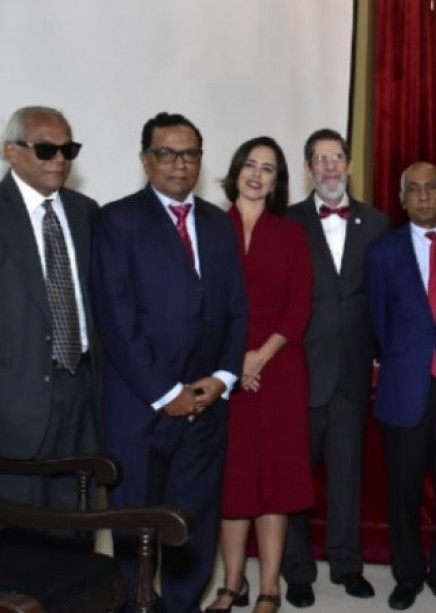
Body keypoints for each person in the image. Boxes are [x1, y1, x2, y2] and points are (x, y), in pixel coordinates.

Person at [93, 112, 248, 613]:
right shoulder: (117, 221)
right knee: (134, 529)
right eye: (167, 153)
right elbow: (116, 320)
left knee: (193, 523)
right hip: (141, 409)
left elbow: (235, 308)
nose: (179, 164)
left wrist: (223, 379)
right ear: (145, 160)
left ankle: (182, 607)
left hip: (205, 408)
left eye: (190, 154)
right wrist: (167, 392)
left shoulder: (219, 223)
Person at [204, 137, 314, 613]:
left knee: (275, 481)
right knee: (233, 482)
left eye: (268, 168)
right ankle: (232, 583)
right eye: (250, 164)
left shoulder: (290, 234)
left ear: (277, 181)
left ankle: (270, 585)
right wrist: (234, 362)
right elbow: (203, 306)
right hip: (222, 374)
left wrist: (257, 358)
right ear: (235, 171)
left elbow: (299, 306)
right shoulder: (209, 228)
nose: (257, 174)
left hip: (279, 369)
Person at [282, 128, 389, 607]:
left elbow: (385, 299)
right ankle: (297, 571)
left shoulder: (378, 223)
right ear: (308, 168)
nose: (329, 167)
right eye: (319, 159)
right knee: (296, 479)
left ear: (349, 164)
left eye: (337, 157)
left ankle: (347, 565)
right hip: (299, 371)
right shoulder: (286, 222)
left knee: (348, 478)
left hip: (351, 373)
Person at [366, 162, 436, 612]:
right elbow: (377, 322)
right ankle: (407, 575)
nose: (424, 196)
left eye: (432, 188)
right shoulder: (381, 253)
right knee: (403, 490)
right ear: (401, 198)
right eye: (414, 189)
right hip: (403, 388)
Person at [0, 106, 98, 510]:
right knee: (20, 544)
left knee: (77, 530)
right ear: (11, 151)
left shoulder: (86, 212)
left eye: (67, 149)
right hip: (14, 400)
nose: (59, 160)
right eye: (45, 149)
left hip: (81, 392)